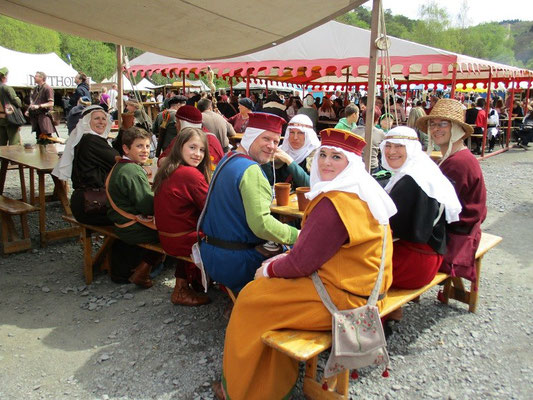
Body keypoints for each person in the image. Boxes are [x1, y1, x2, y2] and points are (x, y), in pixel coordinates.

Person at [212, 128, 396, 400]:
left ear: (350, 164)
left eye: (336, 157)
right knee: (270, 297)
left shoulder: (334, 202)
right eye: (323, 154)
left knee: (251, 299)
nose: (326, 162)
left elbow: (301, 263)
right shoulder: (363, 193)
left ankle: (244, 391)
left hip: (345, 300)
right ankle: (272, 381)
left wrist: (270, 269)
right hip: (366, 292)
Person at [199, 113, 299, 292]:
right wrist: (298, 235)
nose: (272, 146)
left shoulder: (228, 157)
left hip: (211, 253)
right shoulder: (251, 170)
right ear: (252, 136)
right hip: (235, 262)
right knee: (298, 258)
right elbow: (262, 226)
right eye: (266, 138)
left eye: (276, 142)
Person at [380, 126, 462, 290]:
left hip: (414, 263)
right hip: (429, 257)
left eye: (398, 146)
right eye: (388, 146)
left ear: (411, 149)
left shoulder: (411, 181)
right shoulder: (422, 169)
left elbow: (389, 227)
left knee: (349, 267)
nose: (391, 151)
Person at [416, 99, 487, 282]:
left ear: (456, 128)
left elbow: (438, 210)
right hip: (463, 229)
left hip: (457, 237)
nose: (436, 129)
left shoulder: (458, 163)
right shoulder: (457, 157)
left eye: (443, 124)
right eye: (433, 124)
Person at [153, 127, 212, 306]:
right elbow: (211, 208)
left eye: (202, 150)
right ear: (180, 147)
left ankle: (184, 285)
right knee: (228, 237)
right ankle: (232, 289)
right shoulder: (190, 174)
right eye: (192, 147)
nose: (198, 154)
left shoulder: (167, 168)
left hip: (166, 237)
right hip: (183, 241)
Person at [107, 127, 161, 288]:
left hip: (120, 221)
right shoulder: (132, 171)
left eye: (146, 146)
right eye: (139, 146)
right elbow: (147, 206)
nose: (145, 150)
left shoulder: (121, 165)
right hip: (130, 227)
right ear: (125, 148)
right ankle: (143, 271)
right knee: (169, 234)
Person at [57, 106, 119, 225]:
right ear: (86, 122)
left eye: (103, 118)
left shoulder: (85, 139)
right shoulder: (91, 140)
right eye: (96, 118)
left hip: (86, 202)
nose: (101, 122)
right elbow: (119, 161)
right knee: (133, 217)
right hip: (92, 204)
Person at [261, 114, 319, 190]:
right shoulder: (281, 150)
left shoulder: (316, 155)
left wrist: (289, 161)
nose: (295, 137)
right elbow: (269, 181)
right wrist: (266, 161)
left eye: (300, 133)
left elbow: (309, 184)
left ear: (308, 135)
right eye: (292, 132)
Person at [158, 105, 224, 166]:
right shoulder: (179, 138)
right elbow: (160, 160)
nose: (175, 125)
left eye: (177, 122)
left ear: (183, 124)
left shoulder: (209, 141)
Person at [27, 71, 55, 141]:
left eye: (36, 76)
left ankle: (48, 152)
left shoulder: (48, 88)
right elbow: (33, 101)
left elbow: (51, 103)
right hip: (36, 117)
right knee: (38, 138)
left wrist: (39, 106)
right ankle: (41, 151)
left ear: (41, 78)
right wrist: (28, 110)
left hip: (44, 116)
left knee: (46, 139)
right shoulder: (36, 88)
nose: (34, 77)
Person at [0, 67, 23, 145]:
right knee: (14, 143)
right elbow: (17, 102)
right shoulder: (7, 88)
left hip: (0, 118)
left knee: (1, 144)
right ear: (4, 77)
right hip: (9, 118)